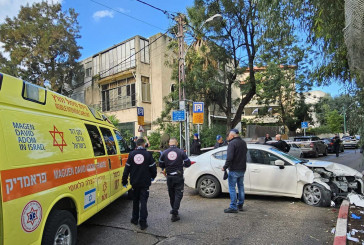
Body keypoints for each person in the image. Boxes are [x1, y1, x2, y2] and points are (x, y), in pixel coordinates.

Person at [122, 138, 157, 230]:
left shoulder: (131, 154)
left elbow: (127, 169)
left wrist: (124, 180)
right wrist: (153, 177)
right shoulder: (148, 155)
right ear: (144, 144)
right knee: (144, 202)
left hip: (135, 182)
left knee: (135, 201)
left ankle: (134, 219)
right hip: (145, 183)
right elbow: (153, 168)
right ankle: (143, 223)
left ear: (136, 145)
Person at [159, 138, 191, 222]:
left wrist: (166, 166)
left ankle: (174, 211)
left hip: (169, 177)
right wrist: (182, 164)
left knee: (171, 194)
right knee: (179, 194)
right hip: (178, 176)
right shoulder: (181, 152)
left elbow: (160, 163)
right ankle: (174, 212)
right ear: (176, 143)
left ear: (169, 143)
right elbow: (188, 163)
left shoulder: (164, 152)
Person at [222, 129, 247, 213]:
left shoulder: (232, 144)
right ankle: (240, 205)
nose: (228, 137)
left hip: (234, 169)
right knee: (241, 187)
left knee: (232, 188)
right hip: (242, 168)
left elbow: (229, 157)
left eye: (229, 135)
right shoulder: (243, 143)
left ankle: (233, 206)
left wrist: (225, 167)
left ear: (232, 135)